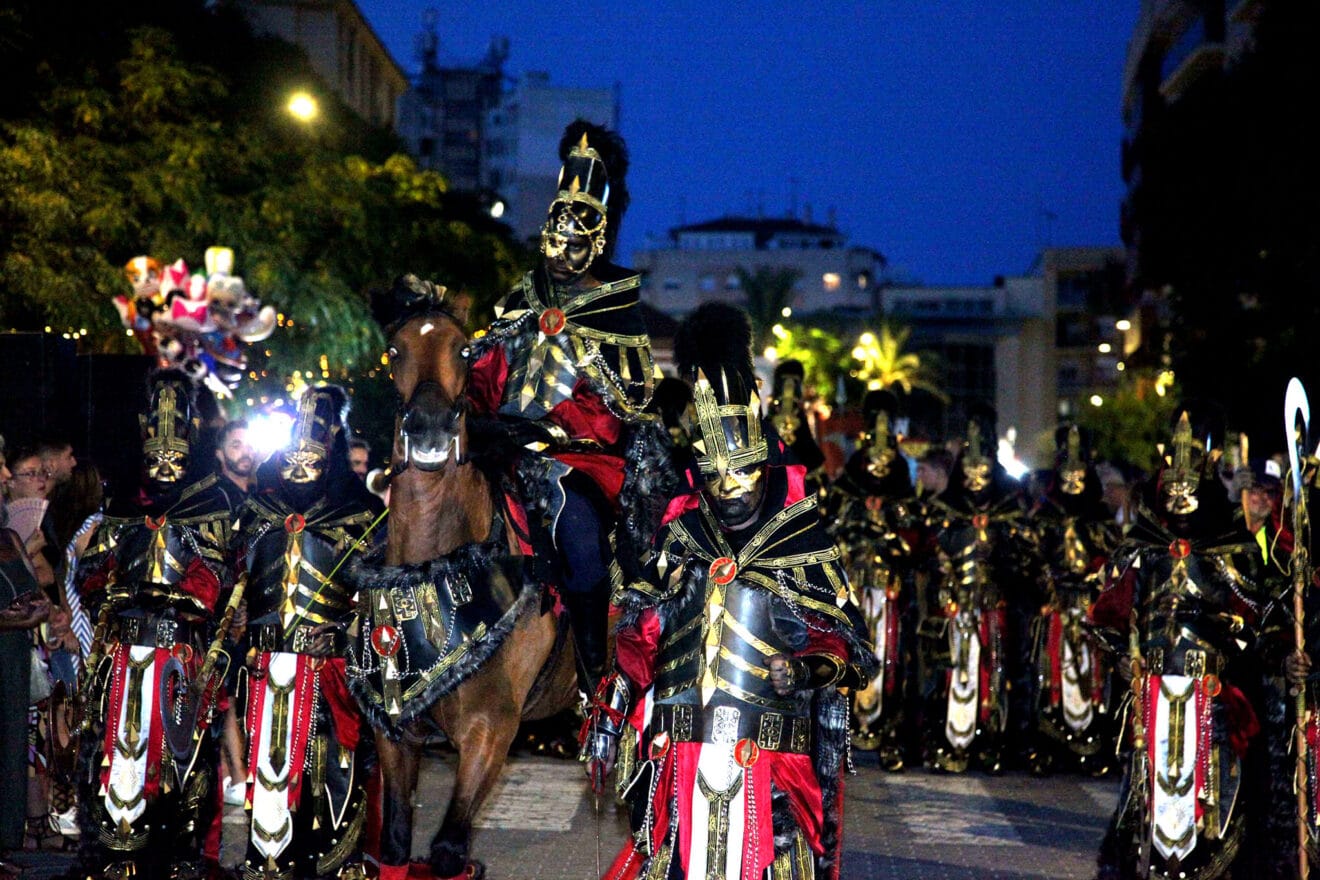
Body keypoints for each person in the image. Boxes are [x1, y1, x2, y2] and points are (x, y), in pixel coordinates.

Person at [582, 303, 876, 880]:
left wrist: (809, 670)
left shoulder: (799, 537)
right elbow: (640, 640)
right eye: (715, 475)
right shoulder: (681, 533)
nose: (730, 489)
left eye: (740, 471)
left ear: (763, 463)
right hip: (678, 751)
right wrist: (612, 712)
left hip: (770, 757)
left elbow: (850, 652)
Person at [467, 119, 673, 690]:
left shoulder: (617, 313)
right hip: (500, 452)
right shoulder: (518, 299)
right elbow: (483, 374)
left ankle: (591, 679)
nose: (558, 253)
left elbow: (624, 409)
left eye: (573, 243)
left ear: (598, 242)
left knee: (581, 546)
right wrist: (477, 418)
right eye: (552, 240)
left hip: (580, 463)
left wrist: (555, 429)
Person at [1091, 412, 1280, 880]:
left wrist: (1226, 621)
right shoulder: (1144, 545)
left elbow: (1261, 621)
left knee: (1209, 785)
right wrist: (1119, 655)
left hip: (1209, 688)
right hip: (1153, 685)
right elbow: (1108, 615)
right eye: (1171, 484)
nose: (1180, 495)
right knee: (1149, 784)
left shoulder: (1232, 548)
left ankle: (1209, 862)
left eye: (1188, 482)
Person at [70, 369, 236, 880]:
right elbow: (93, 572)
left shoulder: (213, 502)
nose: (164, 467)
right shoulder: (121, 504)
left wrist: (174, 597)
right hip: (122, 654)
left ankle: (179, 853)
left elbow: (213, 581)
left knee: (181, 756)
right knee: (112, 749)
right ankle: (115, 849)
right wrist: (114, 585)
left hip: (178, 656)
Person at [233, 386, 382, 880]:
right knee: (270, 765)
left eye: (310, 460)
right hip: (267, 667)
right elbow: (239, 584)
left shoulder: (362, 515)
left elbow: (381, 601)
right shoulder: (258, 513)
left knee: (329, 766)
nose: (300, 470)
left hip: (330, 669)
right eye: (292, 459)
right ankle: (268, 859)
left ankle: (334, 863)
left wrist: (345, 634)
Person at [919, 407, 1037, 773]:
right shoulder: (943, 509)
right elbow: (933, 555)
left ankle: (995, 741)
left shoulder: (1008, 510)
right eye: (968, 471)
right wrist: (945, 585)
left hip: (995, 607)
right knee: (953, 673)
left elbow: (1024, 560)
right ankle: (952, 741)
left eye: (982, 471)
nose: (975, 479)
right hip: (956, 607)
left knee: (997, 671)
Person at [821, 390, 920, 770]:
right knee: (847, 650)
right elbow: (832, 522)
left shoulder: (903, 479)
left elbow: (912, 528)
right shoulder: (849, 478)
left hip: (890, 586)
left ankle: (890, 735)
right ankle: (842, 735)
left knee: (892, 654)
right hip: (854, 585)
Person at [1024, 425, 1120, 776]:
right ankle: (1050, 745)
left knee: (1092, 674)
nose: (1074, 481)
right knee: (1051, 671)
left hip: (1090, 607)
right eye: (1068, 474)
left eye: (1080, 474)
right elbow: (1029, 559)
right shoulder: (1044, 515)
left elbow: (1115, 559)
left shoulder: (1100, 516)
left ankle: (1093, 746)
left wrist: (1099, 579)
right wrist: (1044, 585)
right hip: (1056, 605)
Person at [1, 437, 52, 876]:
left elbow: (38, 587)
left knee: (12, 747)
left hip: (14, 658)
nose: (4, 476)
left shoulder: (6, 534)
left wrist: (32, 608)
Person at [214, 418, 255, 506]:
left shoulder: (260, 493)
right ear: (220, 454)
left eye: (250, 446)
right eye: (236, 446)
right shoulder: (213, 497)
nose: (246, 452)